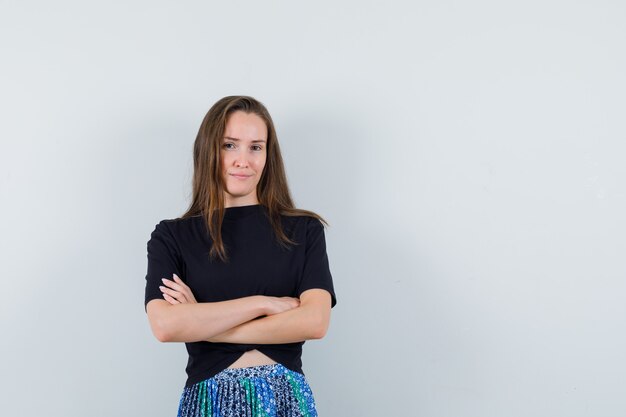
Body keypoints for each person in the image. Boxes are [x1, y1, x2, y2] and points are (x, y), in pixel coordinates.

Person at [144, 95, 337, 417]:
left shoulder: (303, 230)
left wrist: (202, 322)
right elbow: (165, 326)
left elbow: (315, 322)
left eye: (255, 147)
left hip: (284, 399)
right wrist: (261, 304)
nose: (243, 160)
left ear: (268, 155)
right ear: (208, 150)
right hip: (209, 401)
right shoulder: (172, 236)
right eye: (230, 145)